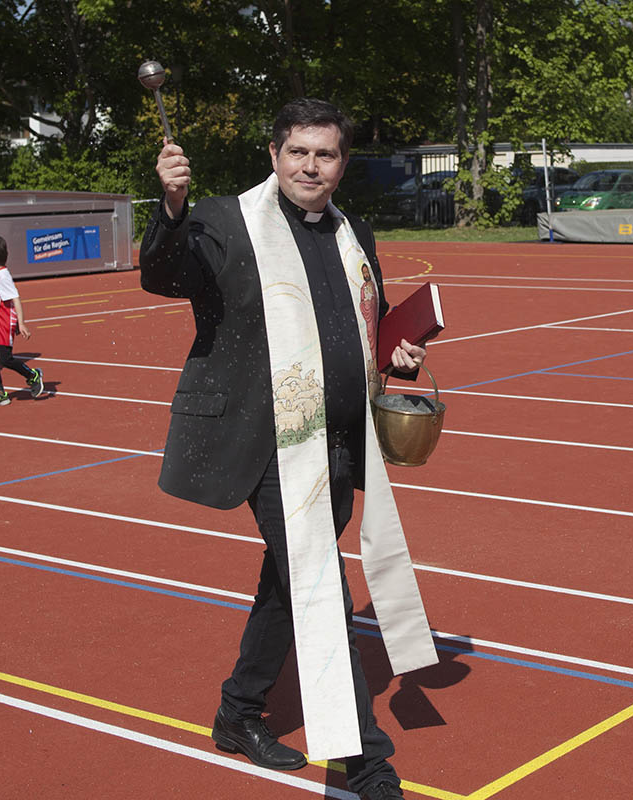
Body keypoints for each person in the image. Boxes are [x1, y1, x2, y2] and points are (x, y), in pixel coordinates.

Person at [140, 98, 436, 800]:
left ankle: (237, 713)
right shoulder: (222, 218)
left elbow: (366, 325)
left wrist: (399, 350)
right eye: (298, 151)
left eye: (325, 154)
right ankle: (364, 762)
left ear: (340, 165)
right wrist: (173, 204)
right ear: (273, 156)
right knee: (321, 586)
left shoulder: (351, 230)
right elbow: (165, 274)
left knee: (288, 579)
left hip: (337, 437)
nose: (310, 165)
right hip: (266, 438)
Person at [0, 234, 44, 407]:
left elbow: (15, 299)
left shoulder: (3, 276)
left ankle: (32, 375)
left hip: (1, 325)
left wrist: (21, 323)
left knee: (5, 359)